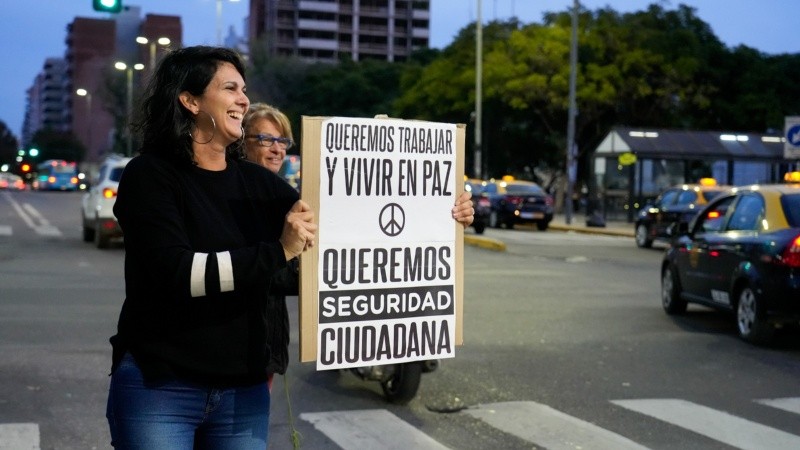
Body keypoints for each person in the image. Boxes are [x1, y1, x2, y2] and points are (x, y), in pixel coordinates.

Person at [105, 46, 316, 449]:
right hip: (161, 387)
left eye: (244, 89)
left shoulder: (259, 183)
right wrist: (278, 250)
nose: (243, 99)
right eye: (230, 88)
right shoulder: (150, 176)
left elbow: (341, 228)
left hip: (244, 392)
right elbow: (176, 275)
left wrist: (446, 215)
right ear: (189, 100)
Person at [241, 102, 475, 226]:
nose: (277, 149)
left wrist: (449, 219)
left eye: (283, 141)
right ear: (241, 142)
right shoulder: (234, 196)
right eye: (265, 139)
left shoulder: (289, 199)